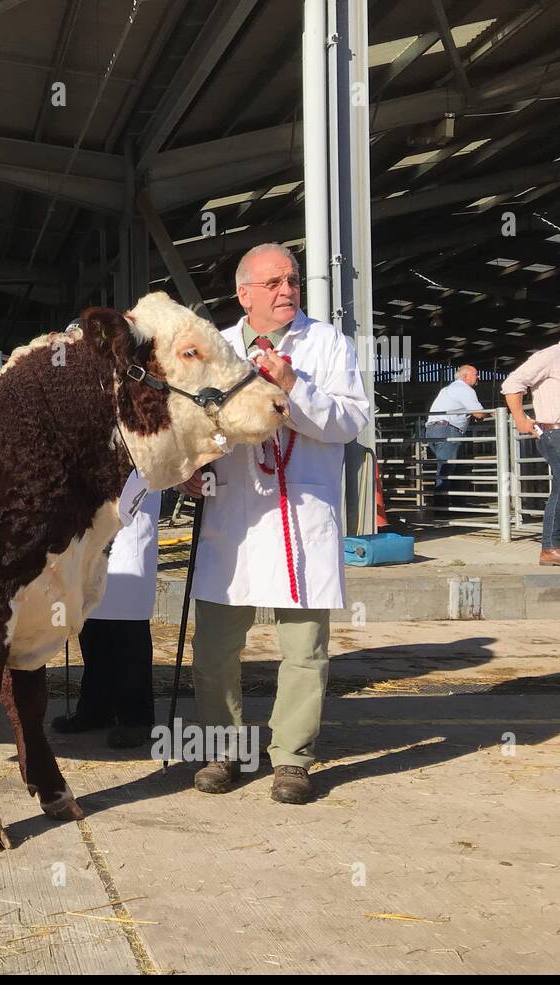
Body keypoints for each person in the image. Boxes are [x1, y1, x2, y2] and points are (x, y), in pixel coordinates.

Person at [183, 242, 370, 804]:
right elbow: (191, 421)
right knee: (214, 648)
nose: (287, 290)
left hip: (301, 516)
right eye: (274, 283)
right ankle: (223, 749)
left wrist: (295, 387)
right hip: (235, 517)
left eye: (292, 281)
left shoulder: (327, 343)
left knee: (305, 649)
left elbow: (351, 420)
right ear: (244, 294)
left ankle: (292, 757)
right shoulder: (213, 348)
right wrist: (191, 467)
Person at [51, 476, 161, 749]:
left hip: (131, 508)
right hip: (89, 518)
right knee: (91, 622)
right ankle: (95, 708)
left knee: (127, 629)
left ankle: (136, 717)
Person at [501, 341, 560, 566]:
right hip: (555, 432)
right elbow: (513, 383)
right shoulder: (551, 356)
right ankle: (550, 547)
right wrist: (519, 418)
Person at [425, 365, 490, 507]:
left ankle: (455, 503)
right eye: (476, 374)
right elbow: (478, 413)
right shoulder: (465, 389)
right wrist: (490, 414)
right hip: (447, 430)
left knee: (455, 467)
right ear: (466, 376)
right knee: (447, 468)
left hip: (434, 430)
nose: (478, 377)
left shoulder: (448, 389)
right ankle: (441, 507)